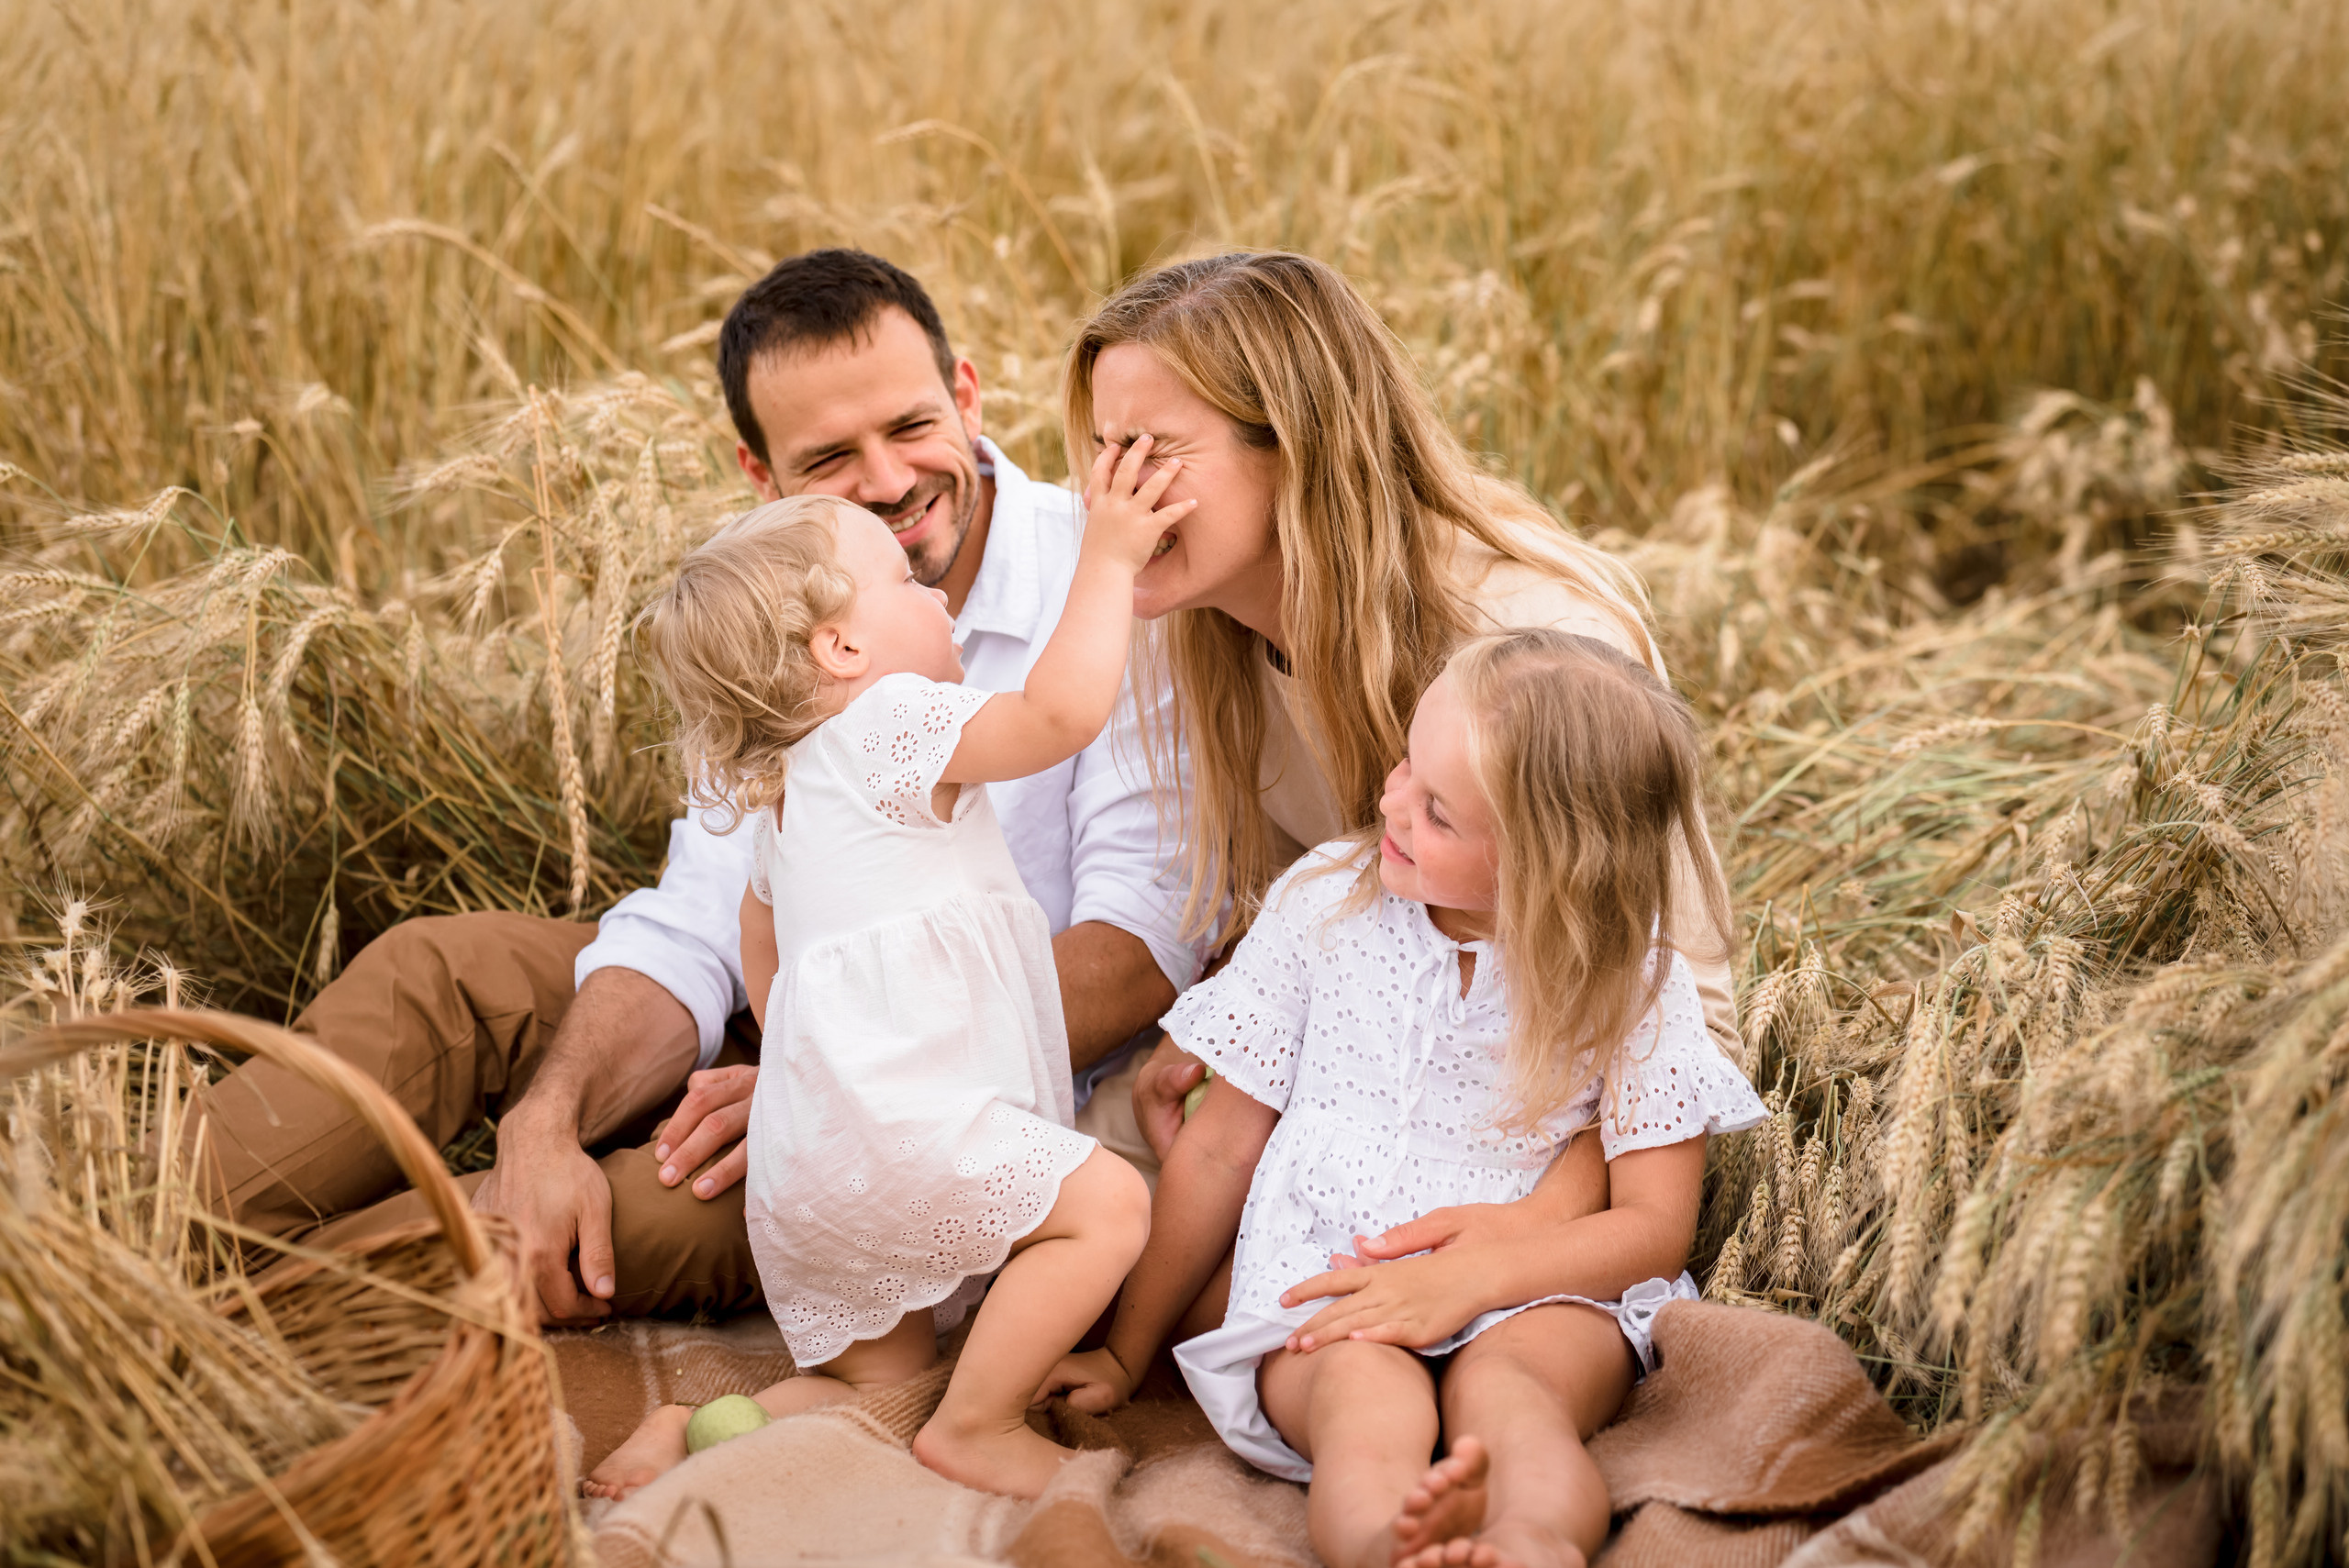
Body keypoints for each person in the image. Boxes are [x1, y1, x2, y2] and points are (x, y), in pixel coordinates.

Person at [185, 250, 1205, 1324]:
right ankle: (103, 1237)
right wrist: (548, 1118)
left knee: (611, 1222)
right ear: (760, 474)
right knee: (441, 973)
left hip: (959, 1090)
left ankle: (195, 1319)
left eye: (909, 427)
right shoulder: (764, 605)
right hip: (800, 1017)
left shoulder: (1109, 581)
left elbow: (1138, 949)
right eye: (829, 458)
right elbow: (710, 913)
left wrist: (851, 1085)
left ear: (964, 393)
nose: (890, 481)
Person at [1068, 250, 1747, 1321]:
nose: (1110, 492)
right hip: (1354, 1085)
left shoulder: (1530, 644)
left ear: (1294, 452)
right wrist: (1231, 1024)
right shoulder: (1194, 624)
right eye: (1103, 449)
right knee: (1050, 1202)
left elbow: (1680, 995)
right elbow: (1323, 898)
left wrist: (1531, 1227)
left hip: (1528, 1132)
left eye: (1154, 453)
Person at [1046, 630, 1768, 1568]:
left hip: (1537, 1286)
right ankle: (1395, 1541)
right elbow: (1222, 1147)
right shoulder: (1323, 906)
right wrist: (1124, 1348)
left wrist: (1472, 1281)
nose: (1390, 802)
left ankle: (1530, 1540)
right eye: (1404, 767)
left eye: (1436, 811)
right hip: (1331, 1271)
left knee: (1518, 1401)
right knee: (1360, 1405)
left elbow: (1650, 1225)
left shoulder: (1627, 977)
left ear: (1544, 867)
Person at [584, 432, 1188, 1498]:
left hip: (814, 1165)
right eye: (906, 582)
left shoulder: (783, 799)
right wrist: (1107, 559)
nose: (935, 595)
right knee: (1106, 1207)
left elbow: (761, 956)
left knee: (871, 1376)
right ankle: (980, 1423)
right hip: (904, 1141)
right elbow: (1059, 715)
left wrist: (821, 1078)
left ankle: (687, 1428)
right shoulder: (895, 725)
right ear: (841, 652)